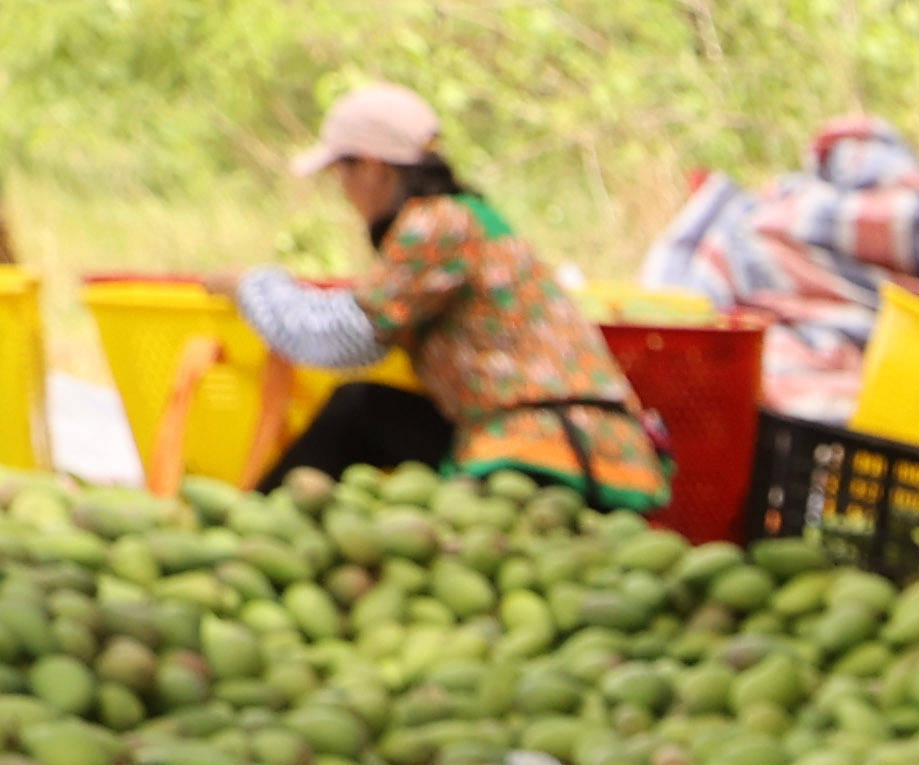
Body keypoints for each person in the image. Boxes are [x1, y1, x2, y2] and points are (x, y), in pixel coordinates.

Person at [226, 83, 670, 511]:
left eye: (342, 173)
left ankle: (248, 531)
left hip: (547, 449)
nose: (342, 192)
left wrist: (253, 287)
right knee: (363, 408)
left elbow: (341, 338)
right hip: (574, 440)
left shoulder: (436, 227)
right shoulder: (469, 217)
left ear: (372, 166)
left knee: (357, 409)